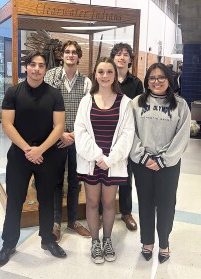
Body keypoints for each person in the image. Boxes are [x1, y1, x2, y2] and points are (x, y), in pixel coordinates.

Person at [0, 51, 66, 267]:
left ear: (46, 69)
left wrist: (40, 150)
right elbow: (7, 124)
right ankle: (8, 244)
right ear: (26, 67)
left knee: (46, 199)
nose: (36, 69)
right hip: (19, 154)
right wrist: (28, 149)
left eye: (41, 65)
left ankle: (47, 239)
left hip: (47, 155)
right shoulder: (13, 92)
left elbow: (59, 126)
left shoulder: (54, 94)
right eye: (33, 64)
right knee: (15, 199)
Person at [74, 57, 135, 264]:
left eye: (109, 72)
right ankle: (95, 242)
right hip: (92, 161)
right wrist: (98, 156)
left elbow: (128, 135)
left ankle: (107, 240)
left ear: (114, 75)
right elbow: (80, 132)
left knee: (109, 203)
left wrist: (109, 159)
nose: (105, 76)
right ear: (95, 74)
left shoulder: (124, 102)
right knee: (92, 202)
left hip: (113, 163)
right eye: (101, 72)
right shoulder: (86, 101)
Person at [130, 63, 190, 264]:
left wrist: (163, 160)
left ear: (169, 79)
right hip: (142, 163)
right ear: (147, 81)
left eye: (161, 77)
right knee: (145, 203)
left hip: (169, 165)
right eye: (152, 78)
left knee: (166, 204)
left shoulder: (180, 105)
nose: (157, 81)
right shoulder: (137, 103)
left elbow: (182, 137)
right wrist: (144, 157)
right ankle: (147, 242)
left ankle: (164, 242)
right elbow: (130, 133)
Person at [44, 40, 91, 242]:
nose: (70, 55)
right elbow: (46, 106)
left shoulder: (86, 82)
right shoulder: (51, 76)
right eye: (67, 52)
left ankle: (72, 221)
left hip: (77, 139)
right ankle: (55, 223)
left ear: (79, 56)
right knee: (56, 182)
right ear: (61, 55)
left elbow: (88, 113)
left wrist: (73, 135)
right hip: (55, 138)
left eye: (74, 52)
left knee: (74, 181)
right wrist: (60, 133)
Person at [98, 43, 143, 231]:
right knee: (102, 174)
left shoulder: (136, 83)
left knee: (126, 175)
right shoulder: (108, 79)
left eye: (125, 55)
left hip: (127, 136)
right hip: (107, 134)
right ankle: (101, 213)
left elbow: (140, 110)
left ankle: (126, 212)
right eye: (118, 54)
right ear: (113, 57)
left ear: (130, 60)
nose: (121, 57)